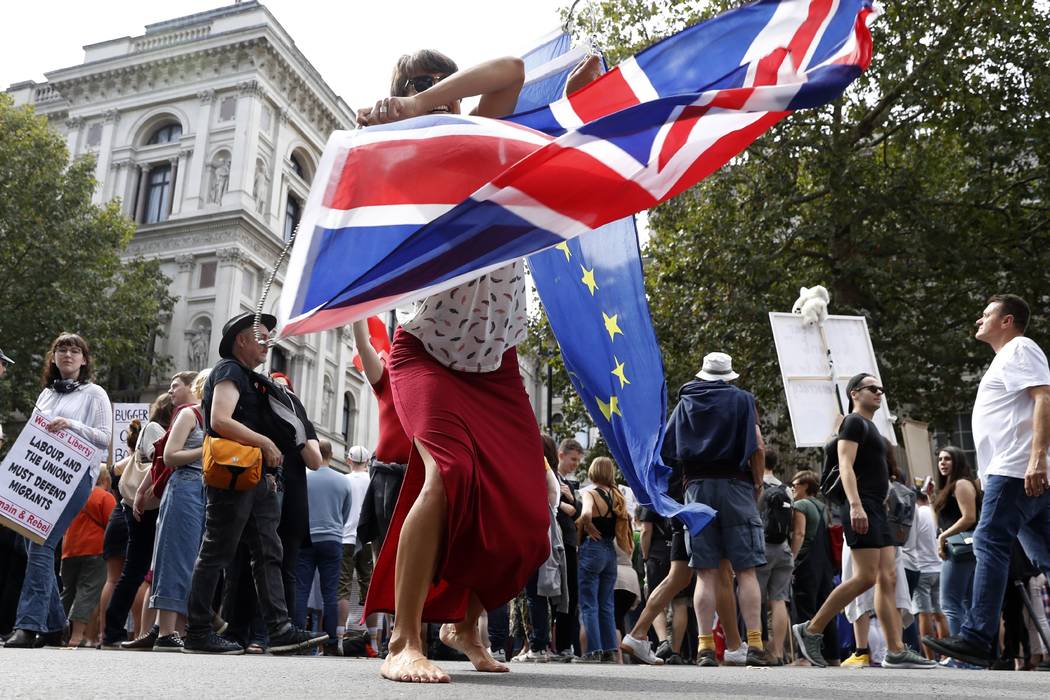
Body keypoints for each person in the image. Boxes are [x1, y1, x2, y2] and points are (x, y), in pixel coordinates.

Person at [359, 49, 600, 684]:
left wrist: (567, 106)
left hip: (495, 363)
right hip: (427, 355)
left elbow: (512, 75)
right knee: (449, 475)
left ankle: (463, 622)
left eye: (435, 82)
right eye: (410, 84)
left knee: (525, 509)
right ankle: (404, 641)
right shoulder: (395, 158)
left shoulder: (483, 141)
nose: (425, 91)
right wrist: (401, 118)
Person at [182, 312, 326, 655]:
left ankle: (279, 629)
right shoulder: (229, 370)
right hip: (233, 475)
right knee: (217, 550)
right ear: (241, 340)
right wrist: (264, 442)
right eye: (261, 337)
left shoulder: (250, 377)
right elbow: (219, 419)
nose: (268, 343)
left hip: (255, 477)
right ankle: (198, 630)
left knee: (268, 552)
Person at [925, 294, 1050, 667]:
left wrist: (1037, 459)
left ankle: (978, 636)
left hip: (1015, 472)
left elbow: (1044, 397)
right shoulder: (1005, 358)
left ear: (1007, 321)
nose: (978, 320)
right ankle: (979, 636)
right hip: (1017, 472)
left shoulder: (1020, 349)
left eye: (986, 315)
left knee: (989, 540)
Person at [793, 372, 935, 668]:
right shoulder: (853, 422)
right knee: (866, 577)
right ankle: (811, 629)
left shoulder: (869, 428)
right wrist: (856, 505)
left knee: (888, 577)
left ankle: (895, 649)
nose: (879, 393)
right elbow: (845, 465)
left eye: (880, 388)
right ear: (855, 393)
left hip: (876, 509)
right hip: (862, 506)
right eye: (872, 388)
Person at [660, 352, 773, 667]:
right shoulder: (742, 400)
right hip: (736, 485)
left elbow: (668, 450)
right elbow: (758, 446)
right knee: (746, 570)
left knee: (706, 573)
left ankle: (705, 647)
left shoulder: (686, 402)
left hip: (697, 488)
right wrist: (758, 484)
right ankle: (754, 644)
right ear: (729, 376)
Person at [6, 333, 112, 649]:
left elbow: (105, 438)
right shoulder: (46, 395)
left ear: (84, 359)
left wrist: (71, 425)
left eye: (74, 350)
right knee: (30, 546)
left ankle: (28, 625)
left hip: (75, 477)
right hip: (40, 476)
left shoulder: (95, 394)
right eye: (61, 349)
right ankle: (54, 624)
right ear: (53, 358)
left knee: (40, 543)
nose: (68, 354)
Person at [101, 392, 174, 650]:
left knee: (135, 570)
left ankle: (113, 631)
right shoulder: (155, 429)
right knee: (136, 570)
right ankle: (113, 631)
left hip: (140, 507)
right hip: (145, 508)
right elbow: (159, 465)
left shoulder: (153, 428)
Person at [148, 370, 208, 651]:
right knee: (175, 556)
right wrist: (206, 449)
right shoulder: (190, 415)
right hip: (185, 485)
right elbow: (170, 456)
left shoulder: (220, 420)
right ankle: (166, 632)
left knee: (193, 561)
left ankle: (175, 631)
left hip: (206, 491)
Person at [352, 320, 412, 557]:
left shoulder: (433, 385)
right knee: (385, 555)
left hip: (418, 479)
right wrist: (359, 313)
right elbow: (364, 346)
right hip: (386, 480)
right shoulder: (385, 379)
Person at [573, 457, 633, 664]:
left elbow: (587, 513)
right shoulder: (616, 495)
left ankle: (592, 651)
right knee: (606, 604)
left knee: (589, 604)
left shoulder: (590, 493)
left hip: (593, 549)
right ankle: (609, 650)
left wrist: (587, 526)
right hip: (610, 551)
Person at [296, 439, 353, 656]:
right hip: (332, 539)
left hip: (307, 537)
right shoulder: (343, 481)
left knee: (301, 589)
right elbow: (345, 513)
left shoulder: (305, 480)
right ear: (330, 454)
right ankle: (330, 643)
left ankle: (300, 637)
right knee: (330, 593)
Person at [60, 469, 117, 647]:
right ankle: (77, 636)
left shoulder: (72, 495)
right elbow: (113, 525)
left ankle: (56, 630)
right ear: (105, 480)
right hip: (95, 550)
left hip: (69, 551)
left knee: (67, 592)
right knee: (87, 591)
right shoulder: (105, 497)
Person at [789, 470, 840, 666]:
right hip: (824, 564)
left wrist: (792, 559)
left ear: (806, 486)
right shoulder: (822, 507)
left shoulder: (801, 505)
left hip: (806, 563)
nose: (793, 487)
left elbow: (800, 533)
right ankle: (833, 656)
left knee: (804, 608)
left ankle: (805, 657)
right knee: (825, 609)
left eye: (796, 484)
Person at [931, 446, 980, 636]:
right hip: (959, 548)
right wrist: (930, 498)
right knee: (967, 603)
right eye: (940, 459)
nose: (942, 463)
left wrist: (944, 537)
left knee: (950, 604)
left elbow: (969, 517)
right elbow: (942, 522)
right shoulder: (951, 486)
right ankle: (969, 656)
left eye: (948, 459)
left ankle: (959, 656)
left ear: (957, 461)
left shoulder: (961, 484)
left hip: (961, 549)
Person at [900, 481, 948, 658]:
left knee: (924, 615)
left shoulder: (916, 514)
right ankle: (946, 656)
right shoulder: (932, 512)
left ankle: (929, 657)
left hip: (922, 568)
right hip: (939, 567)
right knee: (940, 614)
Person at [755, 448, 792, 664]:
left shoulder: (758, 486)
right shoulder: (786, 489)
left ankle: (758, 649)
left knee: (755, 600)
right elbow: (795, 524)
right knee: (779, 600)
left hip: (761, 547)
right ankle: (778, 651)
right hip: (784, 548)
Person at [340, 444, 376, 652]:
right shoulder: (372, 481)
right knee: (369, 587)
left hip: (345, 537)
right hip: (368, 538)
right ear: (368, 462)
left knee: (342, 586)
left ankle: (339, 636)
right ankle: (374, 641)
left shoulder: (343, 480)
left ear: (348, 460)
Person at [552, 438, 583, 659]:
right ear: (561, 455)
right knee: (554, 592)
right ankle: (547, 644)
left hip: (570, 543)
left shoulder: (568, 483)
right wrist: (564, 504)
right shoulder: (551, 478)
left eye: (578, 461)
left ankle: (564, 644)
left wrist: (571, 499)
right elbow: (568, 511)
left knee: (570, 594)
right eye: (573, 459)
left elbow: (578, 511)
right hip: (556, 540)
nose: (575, 465)